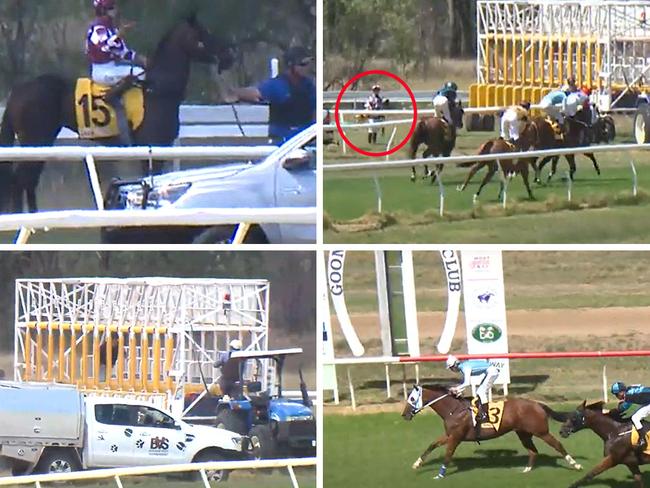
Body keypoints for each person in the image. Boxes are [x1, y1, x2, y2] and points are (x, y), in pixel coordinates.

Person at [86, 0, 147, 145]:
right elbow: (104, 48)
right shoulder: (98, 28)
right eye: (111, 8)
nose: (115, 11)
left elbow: (123, 52)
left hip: (111, 67)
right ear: (104, 10)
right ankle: (112, 97)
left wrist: (140, 58)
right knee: (139, 73)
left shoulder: (110, 29)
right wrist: (120, 34)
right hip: (102, 71)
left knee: (140, 70)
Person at [231, 46, 316, 144]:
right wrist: (235, 93)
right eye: (303, 64)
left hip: (306, 140)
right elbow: (256, 94)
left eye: (309, 63)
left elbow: (316, 112)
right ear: (291, 66)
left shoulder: (309, 86)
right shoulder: (278, 85)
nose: (307, 68)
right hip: (282, 142)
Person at [446, 354, 500, 441]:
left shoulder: (465, 368)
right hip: (490, 371)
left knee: (481, 392)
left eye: (451, 367)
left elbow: (467, 383)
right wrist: (458, 389)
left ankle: (486, 416)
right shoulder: (463, 367)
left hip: (492, 372)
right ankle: (483, 412)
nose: (452, 370)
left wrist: (456, 388)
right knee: (480, 392)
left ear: (455, 365)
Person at [611, 381, 650, 450]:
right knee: (635, 415)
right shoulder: (629, 389)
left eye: (616, 394)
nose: (617, 396)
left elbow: (623, 408)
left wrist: (612, 411)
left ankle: (643, 440)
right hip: (647, 401)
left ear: (621, 392)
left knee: (635, 418)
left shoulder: (628, 395)